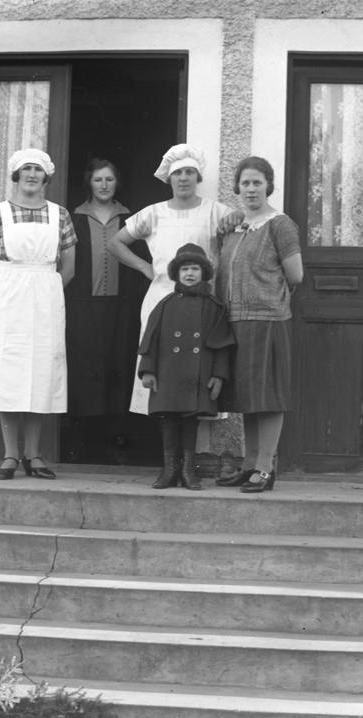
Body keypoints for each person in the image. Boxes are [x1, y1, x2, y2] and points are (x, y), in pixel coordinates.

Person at [0, 148, 76, 480]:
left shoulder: (61, 215)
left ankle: (35, 454)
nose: (32, 175)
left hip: (45, 297)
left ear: (46, 177)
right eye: (26, 169)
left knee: (40, 373)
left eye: (38, 170)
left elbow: (68, 268)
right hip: (7, 301)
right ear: (16, 175)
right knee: (9, 374)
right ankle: (10, 455)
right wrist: (4, 299)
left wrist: (43, 292)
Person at [107, 144, 236, 416]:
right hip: (162, 301)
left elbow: (244, 226)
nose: (184, 178)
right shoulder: (154, 213)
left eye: (190, 172)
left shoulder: (216, 212)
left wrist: (237, 216)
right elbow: (116, 243)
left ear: (198, 178)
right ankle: (167, 447)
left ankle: (192, 451)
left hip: (202, 305)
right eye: (178, 173)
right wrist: (144, 266)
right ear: (170, 178)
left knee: (199, 367)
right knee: (162, 368)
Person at [214, 156, 304, 492]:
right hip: (235, 319)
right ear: (237, 187)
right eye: (245, 183)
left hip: (267, 320)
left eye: (257, 182)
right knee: (248, 397)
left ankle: (265, 468)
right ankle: (249, 463)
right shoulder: (235, 226)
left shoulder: (279, 224)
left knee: (268, 396)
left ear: (269, 186)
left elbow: (295, 274)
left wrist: (267, 295)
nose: (251, 188)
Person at [138, 244, 234, 489]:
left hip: (199, 375)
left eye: (194, 269)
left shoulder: (214, 307)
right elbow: (151, 340)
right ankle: (169, 470)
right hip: (168, 374)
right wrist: (148, 370)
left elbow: (222, 344)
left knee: (191, 420)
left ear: (204, 273)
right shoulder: (165, 304)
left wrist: (218, 376)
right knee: (168, 419)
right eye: (184, 269)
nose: (189, 274)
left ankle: (188, 470)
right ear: (176, 274)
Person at [66, 158, 148, 418]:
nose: (104, 185)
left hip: (121, 305)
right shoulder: (73, 218)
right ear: (89, 183)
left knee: (119, 363)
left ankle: (118, 431)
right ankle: (85, 429)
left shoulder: (130, 217)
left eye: (109, 179)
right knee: (85, 364)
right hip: (83, 305)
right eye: (98, 179)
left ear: (117, 183)